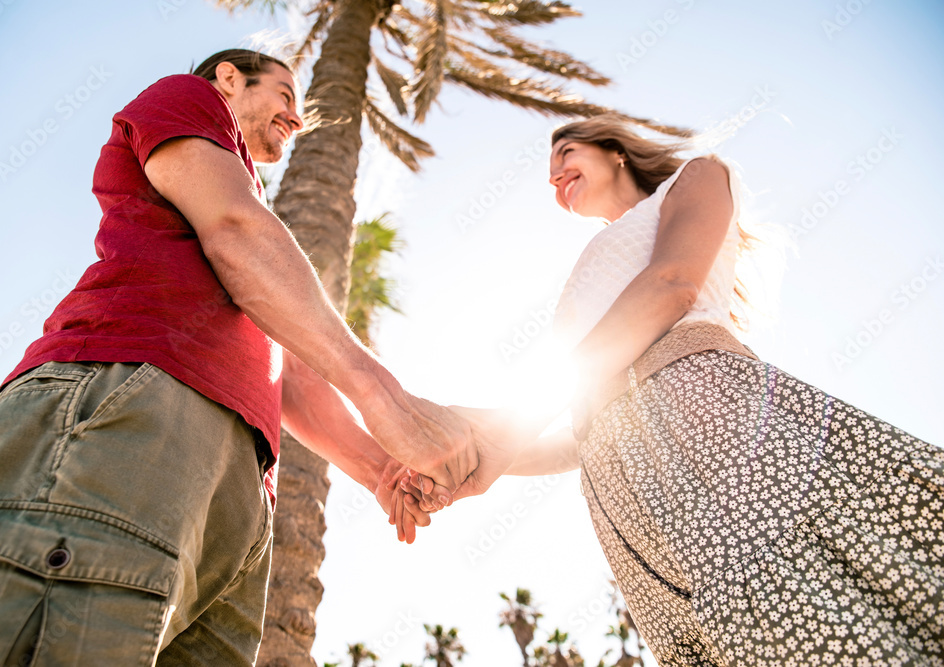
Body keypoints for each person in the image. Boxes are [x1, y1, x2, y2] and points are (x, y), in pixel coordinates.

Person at [0, 49, 472, 666]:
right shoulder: (189, 98)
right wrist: (387, 398)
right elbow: (234, 228)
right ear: (228, 78)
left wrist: (380, 469)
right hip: (127, 407)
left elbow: (290, 374)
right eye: (284, 94)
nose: (295, 118)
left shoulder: (247, 209)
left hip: (238, 497)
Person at [402, 114, 944, 665]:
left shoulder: (696, 177)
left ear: (614, 149)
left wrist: (511, 424)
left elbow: (671, 285)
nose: (554, 174)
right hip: (618, 492)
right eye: (548, 167)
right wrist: (459, 443)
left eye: (565, 151)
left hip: (704, 416)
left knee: (797, 617)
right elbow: (575, 434)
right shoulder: (582, 273)